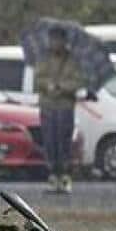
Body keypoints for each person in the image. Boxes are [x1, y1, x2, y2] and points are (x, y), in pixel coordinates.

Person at [33, 26, 83, 194]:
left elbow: (77, 82)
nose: (55, 43)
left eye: (58, 39)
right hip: (47, 105)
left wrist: (62, 86)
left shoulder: (72, 60)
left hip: (65, 105)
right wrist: (47, 85)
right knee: (49, 141)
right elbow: (37, 79)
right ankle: (52, 175)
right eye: (52, 39)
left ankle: (65, 176)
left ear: (64, 40)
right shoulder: (43, 58)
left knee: (64, 140)